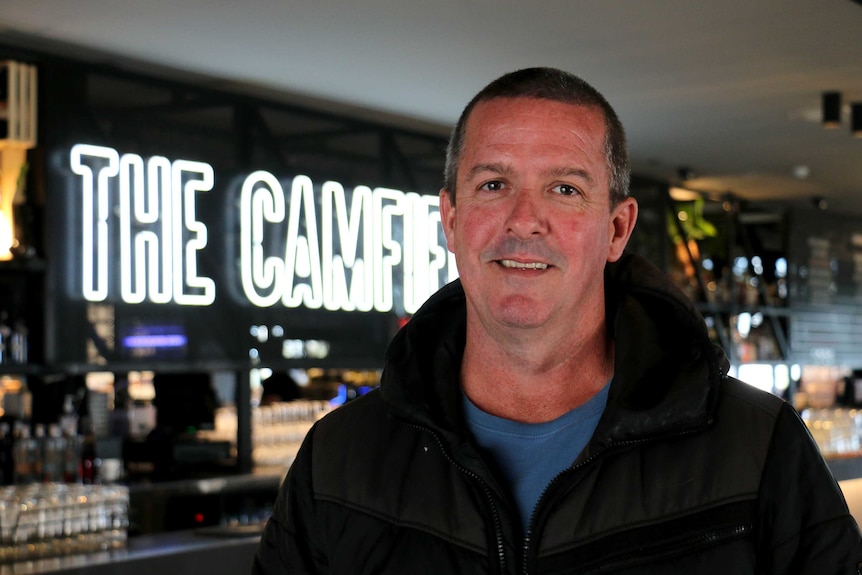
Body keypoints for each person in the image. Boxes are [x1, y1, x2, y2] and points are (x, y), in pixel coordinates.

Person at [252, 67, 862, 573]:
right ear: (452, 221)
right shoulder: (341, 459)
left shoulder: (756, 450)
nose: (524, 220)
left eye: (565, 190)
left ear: (617, 229)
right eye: (493, 184)